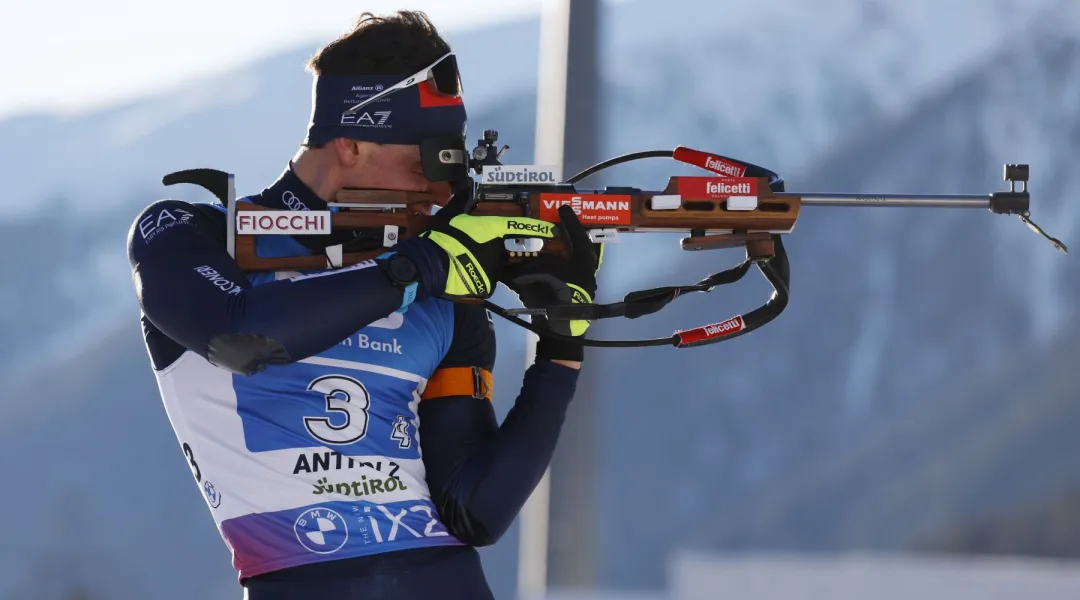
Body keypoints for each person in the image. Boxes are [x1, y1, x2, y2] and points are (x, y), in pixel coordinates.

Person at [125, 10, 602, 600]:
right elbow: (241, 338)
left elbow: (476, 511)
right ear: (350, 143)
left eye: (454, 167)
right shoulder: (195, 233)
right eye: (426, 160)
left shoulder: (440, 283)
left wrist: (560, 348)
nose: (442, 189)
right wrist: (418, 267)